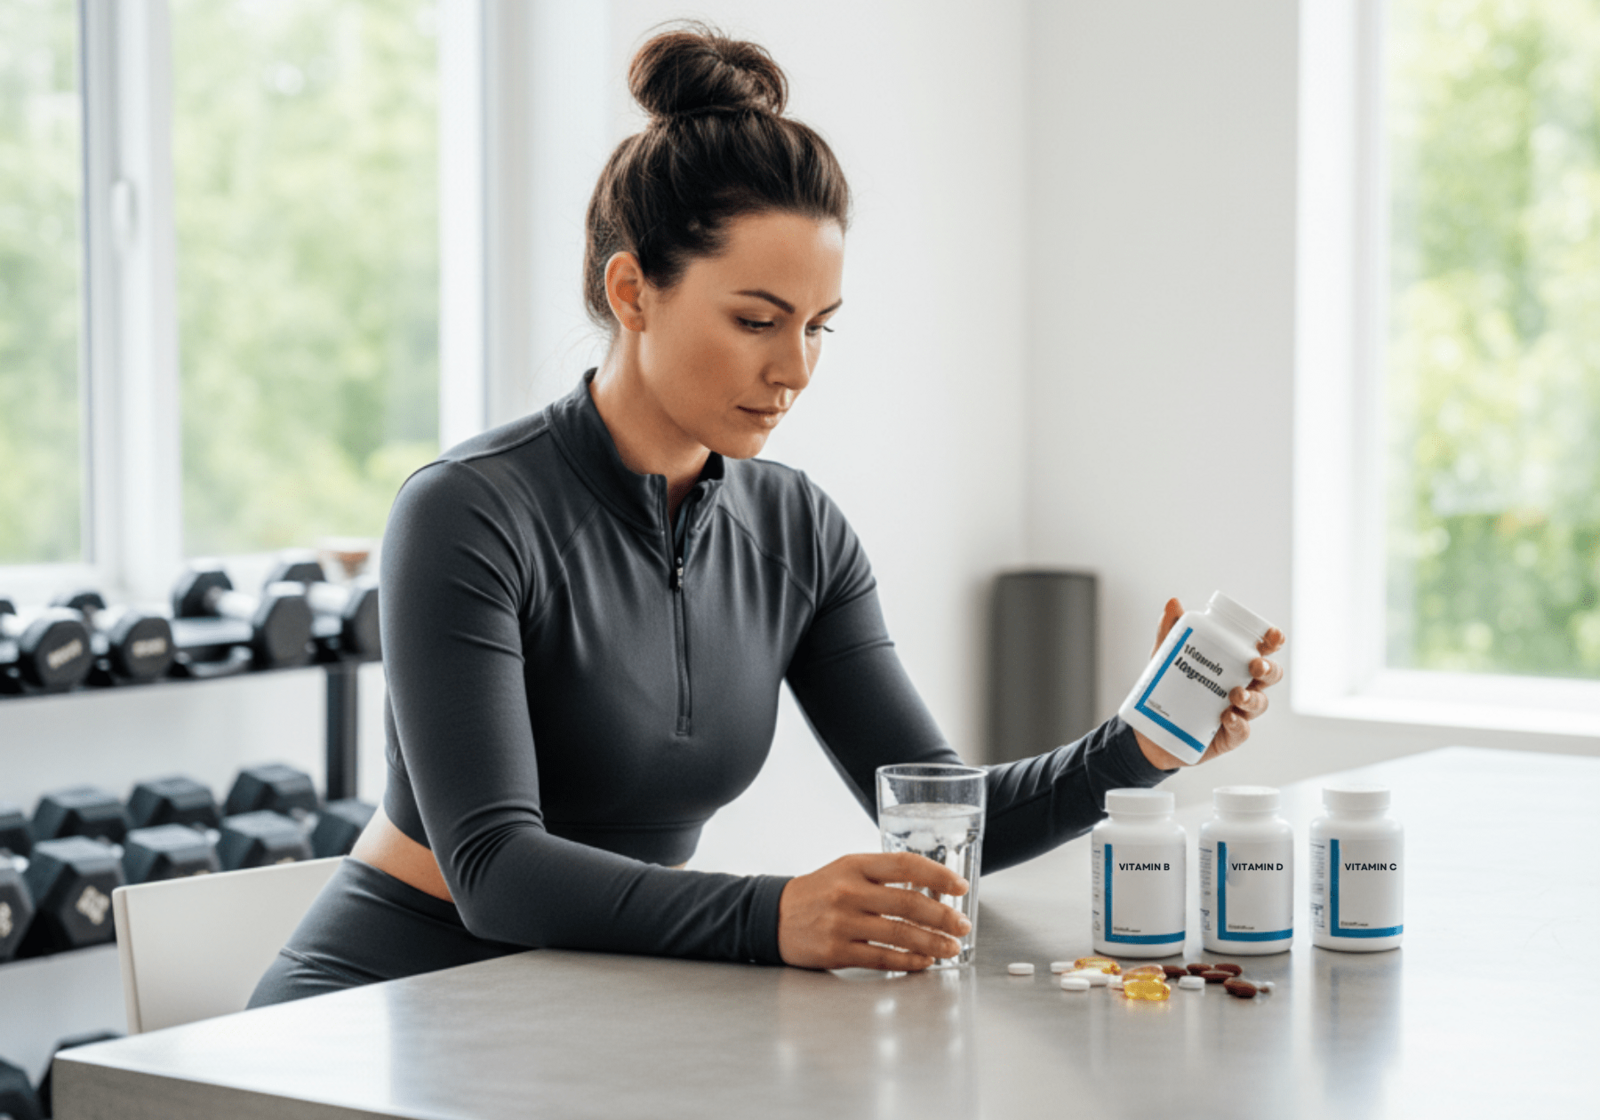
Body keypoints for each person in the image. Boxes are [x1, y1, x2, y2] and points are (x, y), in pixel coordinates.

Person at [249, 23, 1284, 1008]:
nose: (795, 369)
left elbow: (940, 813)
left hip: (604, 1002)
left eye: (819, 327)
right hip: (386, 1002)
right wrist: (773, 914)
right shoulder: (466, 513)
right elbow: (495, 872)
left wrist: (1142, 743)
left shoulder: (798, 532)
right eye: (756, 320)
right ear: (631, 291)